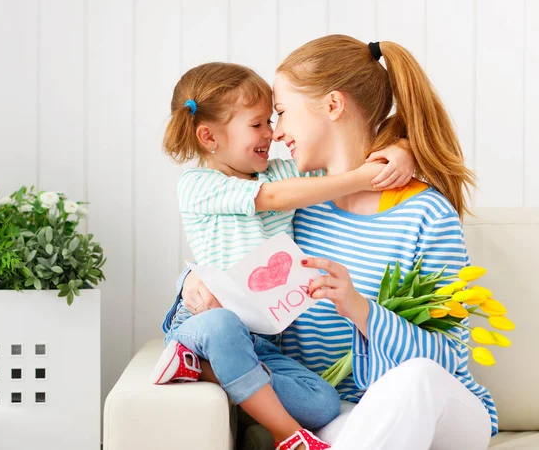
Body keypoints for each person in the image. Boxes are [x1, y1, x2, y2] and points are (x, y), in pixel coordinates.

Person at [178, 36, 497, 450]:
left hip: (444, 409)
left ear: (332, 106)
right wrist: (194, 286)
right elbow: (229, 251)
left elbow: (450, 358)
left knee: (416, 377)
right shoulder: (295, 210)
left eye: (280, 113)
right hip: (346, 416)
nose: (276, 135)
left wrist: (360, 310)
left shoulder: (425, 214)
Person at [153, 61, 415, 449]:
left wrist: (403, 149)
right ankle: (287, 436)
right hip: (203, 323)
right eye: (257, 125)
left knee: (324, 403)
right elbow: (272, 200)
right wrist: (363, 177)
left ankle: (209, 370)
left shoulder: (278, 172)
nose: (272, 133)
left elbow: (341, 155)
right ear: (209, 137)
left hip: (261, 341)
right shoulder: (198, 185)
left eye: (271, 121)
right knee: (223, 324)